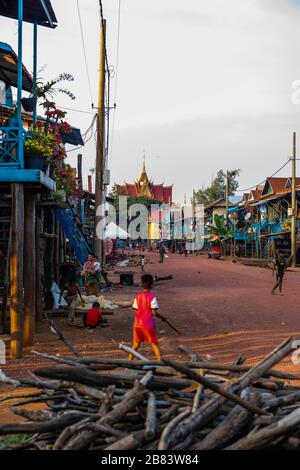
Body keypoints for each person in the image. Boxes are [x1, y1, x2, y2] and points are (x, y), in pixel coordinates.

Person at [129, 273, 162, 360]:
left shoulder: (138, 296)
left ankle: (128, 364)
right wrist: (162, 317)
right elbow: (154, 313)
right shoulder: (152, 297)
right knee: (154, 344)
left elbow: (136, 309)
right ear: (151, 285)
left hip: (137, 324)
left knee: (135, 345)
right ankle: (160, 362)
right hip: (148, 324)